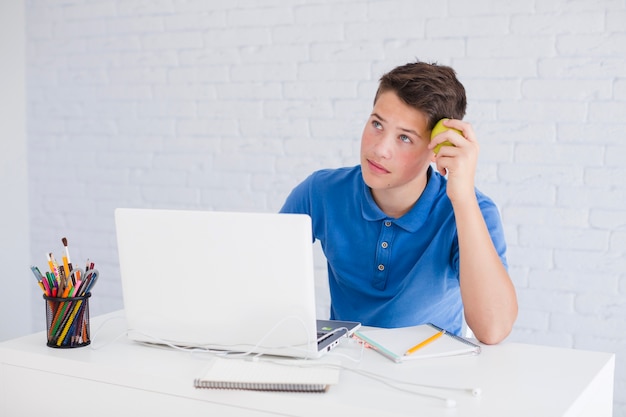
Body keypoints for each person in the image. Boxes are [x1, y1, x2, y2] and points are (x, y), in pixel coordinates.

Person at [280, 61, 517, 344]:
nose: (379, 149)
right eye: (377, 124)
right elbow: (260, 268)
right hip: (346, 365)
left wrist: (463, 197)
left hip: (433, 374)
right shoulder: (320, 192)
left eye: (404, 137)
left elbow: (493, 330)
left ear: (438, 148)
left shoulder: (473, 210)